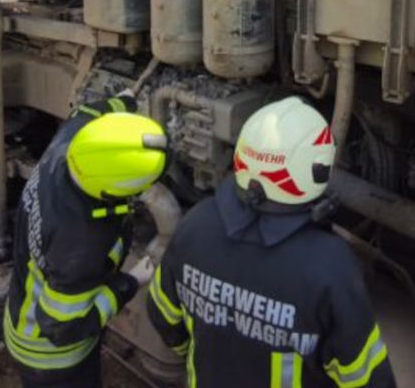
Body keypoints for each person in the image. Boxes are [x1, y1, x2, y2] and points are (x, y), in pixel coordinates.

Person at [146, 97, 395, 388]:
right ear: (317, 168)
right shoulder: (330, 266)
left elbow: (163, 315)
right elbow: (365, 377)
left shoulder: (195, 225)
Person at [4, 93, 169, 387]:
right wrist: (128, 284)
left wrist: (124, 102)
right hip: (50, 355)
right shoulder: (82, 243)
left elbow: (87, 110)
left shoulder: (68, 143)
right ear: (112, 194)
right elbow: (62, 327)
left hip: (20, 310)